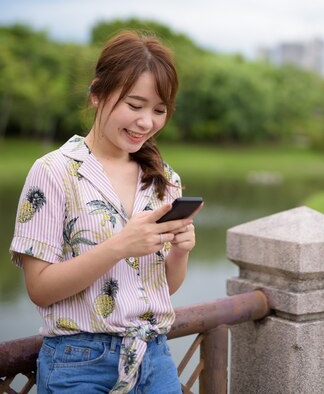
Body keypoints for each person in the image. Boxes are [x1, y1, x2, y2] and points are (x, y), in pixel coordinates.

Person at [10, 30, 202, 394]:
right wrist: (121, 245)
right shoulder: (54, 172)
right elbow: (39, 288)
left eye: (159, 110)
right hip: (78, 363)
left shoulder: (163, 179)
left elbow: (161, 287)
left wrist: (180, 251)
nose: (146, 122)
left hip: (155, 357)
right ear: (98, 93)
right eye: (135, 105)